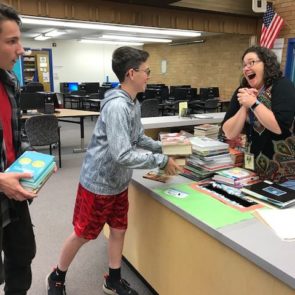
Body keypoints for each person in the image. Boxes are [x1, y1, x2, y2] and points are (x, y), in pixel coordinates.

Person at [47, 46, 182, 295]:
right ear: (131, 73)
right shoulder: (117, 107)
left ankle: (114, 279)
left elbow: (138, 137)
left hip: (118, 182)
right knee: (83, 234)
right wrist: (160, 161)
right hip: (99, 183)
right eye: (147, 71)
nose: (149, 75)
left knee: (119, 229)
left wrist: (164, 146)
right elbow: (123, 154)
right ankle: (56, 276)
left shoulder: (133, 102)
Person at [0, 3, 38, 294]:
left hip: (14, 194)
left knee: (22, 257)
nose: (21, 49)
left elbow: (15, 135)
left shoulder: (9, 81)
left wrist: (32, 164)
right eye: (12, 41)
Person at [222, 45, 295, 180]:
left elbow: (280, 127)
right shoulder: (243, 90)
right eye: (244, 65)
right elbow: (228, 132)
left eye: (251, 62)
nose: (246, 68)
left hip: (282, 169)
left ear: (267, 64)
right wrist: (244, 107)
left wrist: (253, 103)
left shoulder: (283, 86)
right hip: (252, 167)